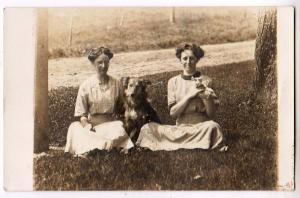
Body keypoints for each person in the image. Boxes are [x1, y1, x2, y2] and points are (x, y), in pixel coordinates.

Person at [136, 43, 227, 151]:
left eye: (192, 58)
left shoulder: (207, 80)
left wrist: (204, 95)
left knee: (214, 127)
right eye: (185, 58)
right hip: (179, 130)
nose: (188, 62)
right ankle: (198, 143)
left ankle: (175, 144)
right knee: (147, 128)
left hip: (201, 128)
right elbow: (173, 113)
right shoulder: (173, 82)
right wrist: (189, 95)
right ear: (180, 59)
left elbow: (211, 114)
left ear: (197, 59)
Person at [64, 47, 134, 155]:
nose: (103, 66)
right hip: (92, 128)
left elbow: (122, 109)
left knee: (119, 126)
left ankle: (96, 148)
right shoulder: (85, 86)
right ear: (92, 64)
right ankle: (106, 147)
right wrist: (87, 126)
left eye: (106, 62)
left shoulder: (116, 83)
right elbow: (82, 115)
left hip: (110, 126)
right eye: (99, 62)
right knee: (74, 127)